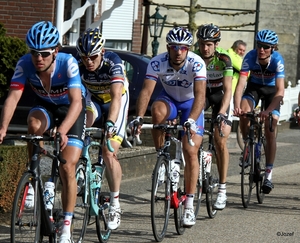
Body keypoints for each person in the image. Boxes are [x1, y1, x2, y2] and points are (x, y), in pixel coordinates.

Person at [0, 21, 86, 243]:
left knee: (67, 165)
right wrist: (2, 128)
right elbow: (13, 97)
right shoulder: (24, 63)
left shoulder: (69, 63)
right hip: (45, 107)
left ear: (55, 51)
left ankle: (67, 226)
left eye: (44, 54)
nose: (38, 58)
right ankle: (34, 174)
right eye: (34, 53)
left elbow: (77, 102)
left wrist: (64, 129)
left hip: (70, 109)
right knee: (33, 127)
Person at [130, 27, 207, 227]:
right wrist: (138, 117)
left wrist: (191, 119)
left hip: (191, 104)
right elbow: (147, 91)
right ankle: (161, 155)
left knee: (190, 151)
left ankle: (189, 204)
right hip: (170, 100)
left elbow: (200, 95)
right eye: (174, 47)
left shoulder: (196, 63)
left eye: (183, 47)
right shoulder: (157, 62)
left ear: (188, 48)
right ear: (168, 47)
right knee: (156, 111)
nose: (179, 51)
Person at [76, 28, 129, 230]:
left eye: (93, 57)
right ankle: (82, 167)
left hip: (116, 101)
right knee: (82, 127)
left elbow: (116, 97)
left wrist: (110, 123)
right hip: (94, 100)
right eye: (85, 58)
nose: (89, 62)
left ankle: (115, 203)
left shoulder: (113, 63)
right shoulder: (79, 65)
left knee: (108, 152)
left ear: (102, 52)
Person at [233, 29, 285, 194]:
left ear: (272, 48)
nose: (261, 50)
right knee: (244, 113)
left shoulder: (277, 60)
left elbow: (280, 91)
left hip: (272, 93)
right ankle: (248, 146)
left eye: (265, 47)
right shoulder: (250, 56)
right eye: (259, 46)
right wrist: (237, 106)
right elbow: (241, 83)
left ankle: (268, 174)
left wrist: (268, 111)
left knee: (270, 129)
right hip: (254, 88)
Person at [194, 23, 233, 210]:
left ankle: (223, 189)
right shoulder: (193, 57)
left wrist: (223, 113)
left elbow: (227, 90)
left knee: (220, 140)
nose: (205, 48)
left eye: (209, 44)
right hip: (203, 96)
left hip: (220, 97)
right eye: (202, 44)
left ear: (216, 44)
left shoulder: (224, 59)